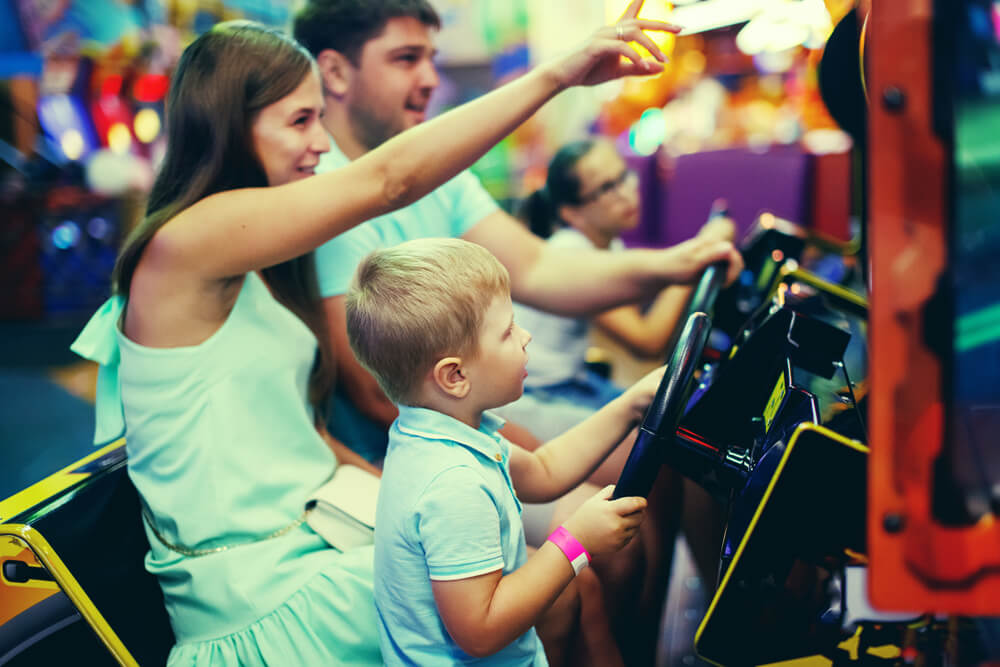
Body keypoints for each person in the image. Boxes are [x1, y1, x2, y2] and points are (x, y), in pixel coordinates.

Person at [69, 14, 684, 665]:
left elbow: (291, 430)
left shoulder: (250, 265)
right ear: (231, 124)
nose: (318, 143)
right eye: (299, 122)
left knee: (564, 581)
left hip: (319, 529)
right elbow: (387, 181)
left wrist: (396, 487)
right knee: (555, 585)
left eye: (317, 118)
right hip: (264, 587)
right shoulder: (183, 245)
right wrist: (560, 74)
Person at [291, 0, 743, 465]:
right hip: (413, 450)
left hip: (473, 408)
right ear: (336, 72)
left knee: (670, 443)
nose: (429, 79)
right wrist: (536, 457)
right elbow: (377, 393)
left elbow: (540, 267)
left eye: (430, 58)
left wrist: (681, 261)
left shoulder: (440, 180)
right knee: (645, 456)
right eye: (406, 59)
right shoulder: (317, 190)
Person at [346, 237, 666, 666]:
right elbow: (480, 630)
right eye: (508, 331)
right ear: (455, 375)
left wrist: (629, 406)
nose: (526, 335)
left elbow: (545, 470)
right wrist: (577, 542)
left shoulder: (444, 430)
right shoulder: (451, 484)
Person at [497, 139, 736, 441]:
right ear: (572, 213)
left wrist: (696, 258)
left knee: (677, 418)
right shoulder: (574, 251)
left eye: (625, 176)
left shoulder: (608, 244)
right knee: (664, 439)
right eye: (607, 188)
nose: (627, 193)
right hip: (540, 392)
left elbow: (648, 297)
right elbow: (647, 340)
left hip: (574, 379)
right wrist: (699, 257)